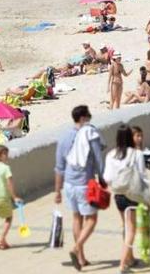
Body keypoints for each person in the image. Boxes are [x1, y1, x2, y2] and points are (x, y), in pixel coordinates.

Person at [53, 105, 106, 271]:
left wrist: (57, 191)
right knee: (92, 219)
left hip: (69, 183)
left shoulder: (64, 137)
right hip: (85, 183)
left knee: (77, 218)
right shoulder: (90, 133)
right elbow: (99, 159)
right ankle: (76, 249)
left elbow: (59, 167)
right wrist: (103, 179)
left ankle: (81, 258)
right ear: (83, 118)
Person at [102, 125, 149, 273]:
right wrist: (147, 198)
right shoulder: (136, 154)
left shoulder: (111, 155)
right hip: (132, 194)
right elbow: (142, 176)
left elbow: (106, 177)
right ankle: (122, 264)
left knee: (126, 226)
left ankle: (129, 258)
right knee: (131, 230)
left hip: (118, 195)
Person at [0, 145, 21, 250]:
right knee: (8, 218)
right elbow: (10, 185)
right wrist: (14, 197)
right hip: (3, 198)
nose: (7, 156)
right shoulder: (6, 168)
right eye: (5, 154)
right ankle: (2, 239)